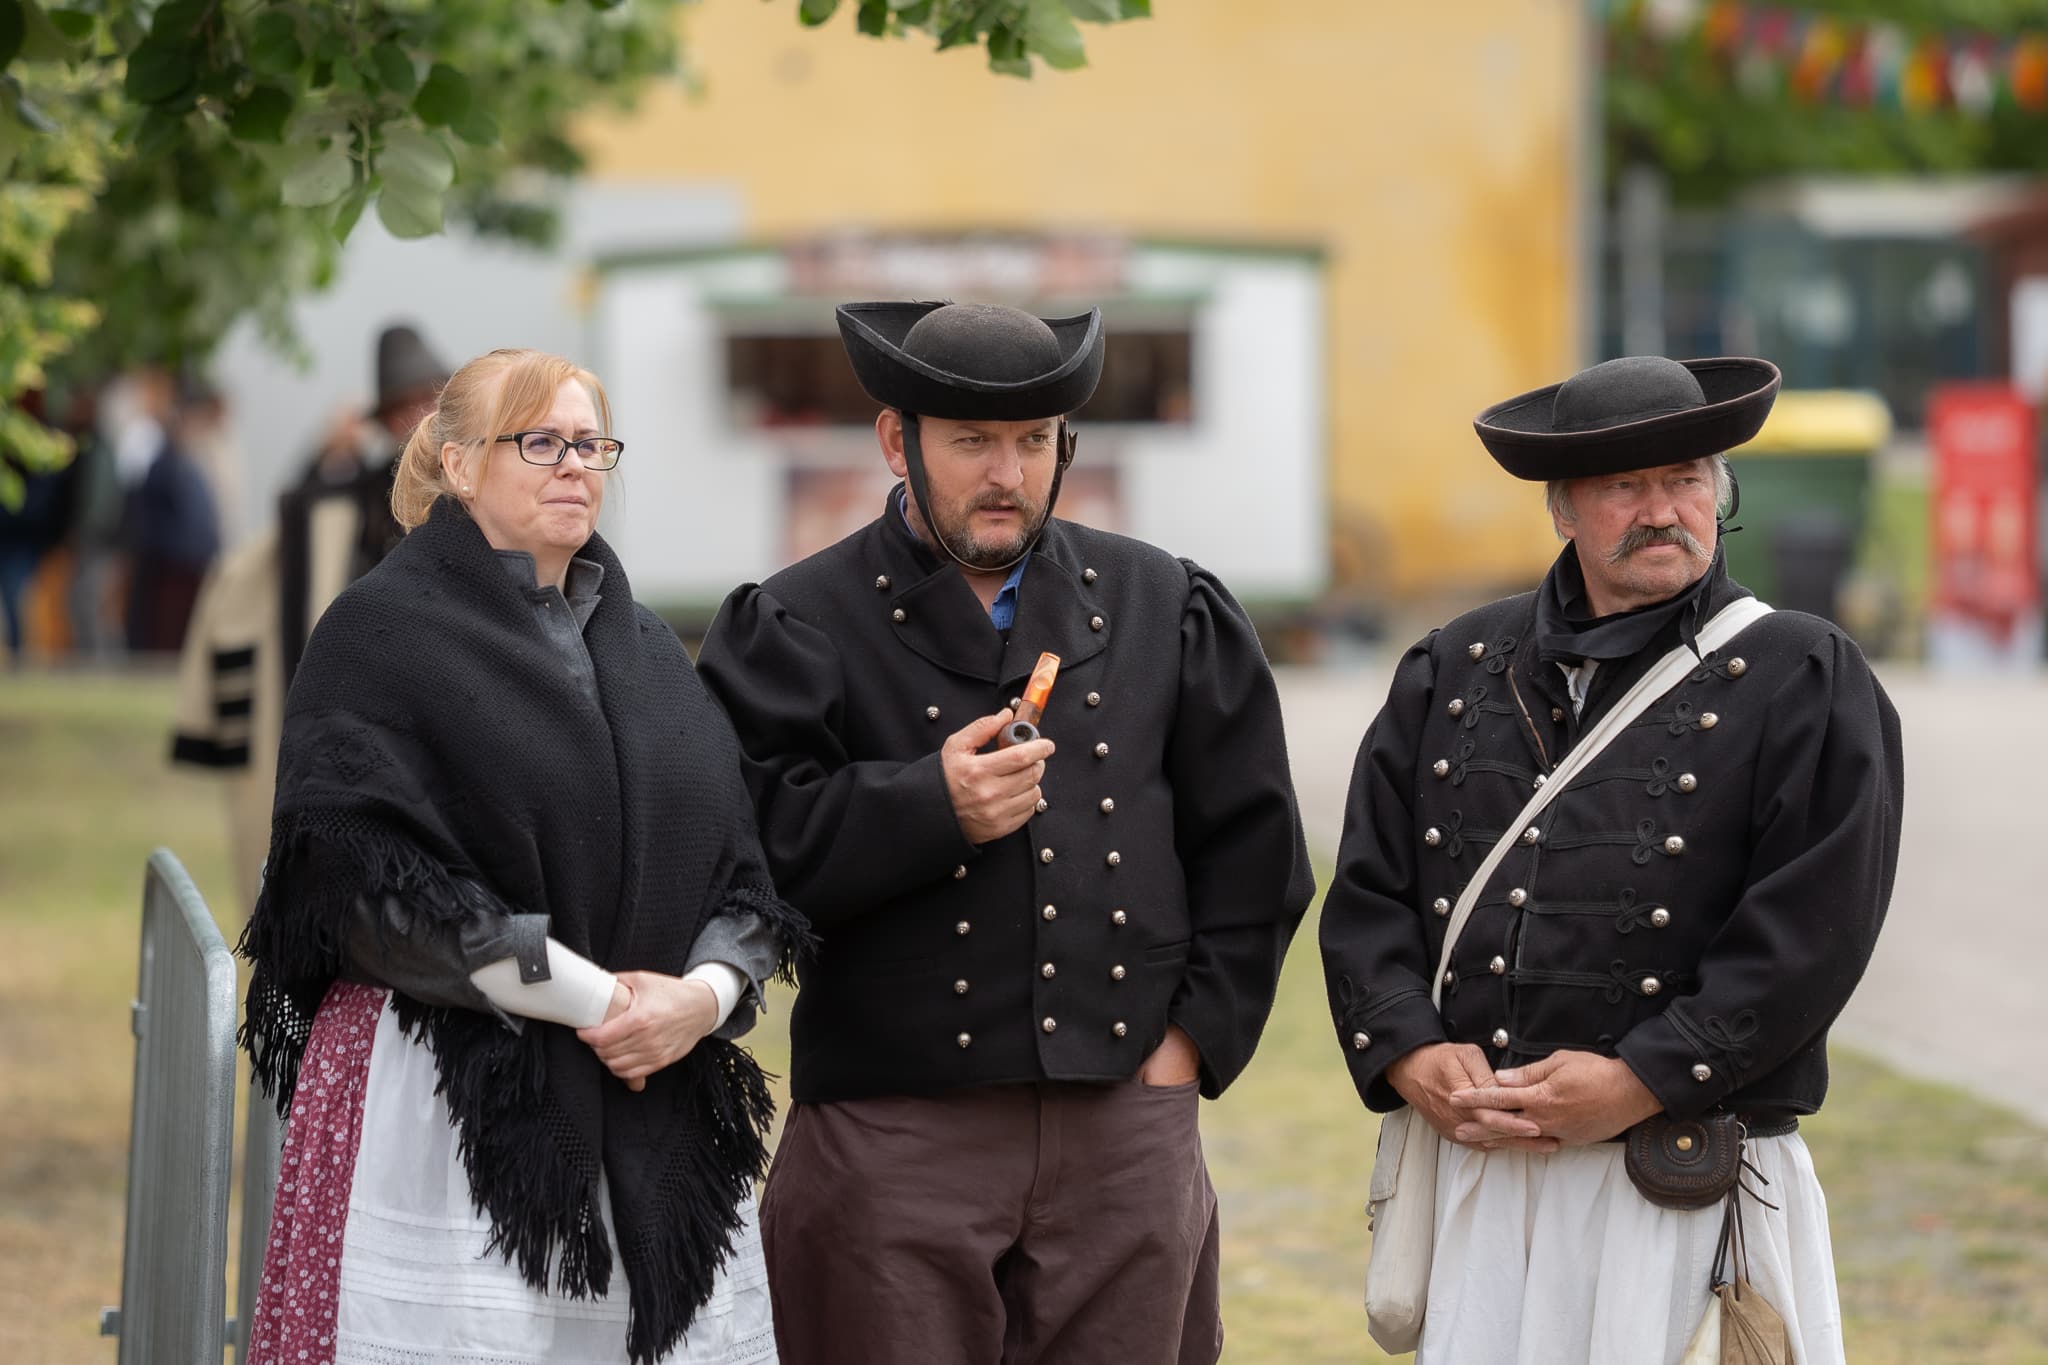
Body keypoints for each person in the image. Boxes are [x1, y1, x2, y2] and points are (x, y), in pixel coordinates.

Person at [696, 300, 1315, 1365]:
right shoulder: (794, 620)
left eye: (1034, 441)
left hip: (1125, 1124)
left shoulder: (1165, 602)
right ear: (897, 442)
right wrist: (928, 807)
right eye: (971, 441)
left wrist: (1186, 1049)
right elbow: (743, 854)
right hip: (890, 1135)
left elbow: (1254, 851)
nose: (1006, 474)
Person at [1318, 355, 1904, 1364]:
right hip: (1483, 1177)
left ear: (1718, 493)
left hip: (1680, 1174)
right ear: (1562, 508)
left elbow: (1813, 930)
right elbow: (1370, 891)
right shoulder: (1453, 666)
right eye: (1624, 486)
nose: (1661, 511)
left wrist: (1642, 1078)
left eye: (1685, 479)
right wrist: (1409, 1051)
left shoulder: (1803, 674)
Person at [237, 348, 804, 1365]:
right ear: (459, 464)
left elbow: (738, 869)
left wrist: (700, 999)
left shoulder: (648, 652)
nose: (574, 464)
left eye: (590, 443)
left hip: (650, 1084)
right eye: (539, 442)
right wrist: (595, 998)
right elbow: (360, 889)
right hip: (447, 1095)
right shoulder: (376, 634)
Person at [172, 323, 449, 914]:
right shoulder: (355, 495)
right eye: (403, 407)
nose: (417, 419)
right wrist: (321, 451)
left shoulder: (475, 493)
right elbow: (295, 529)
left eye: (428, 402)